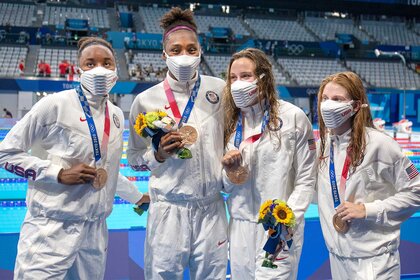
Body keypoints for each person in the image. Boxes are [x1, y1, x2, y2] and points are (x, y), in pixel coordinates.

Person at [0, 36, 149, 279]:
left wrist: (137, 196)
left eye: (107, 63)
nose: (99, 70)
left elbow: (106, 169)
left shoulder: (115, 115)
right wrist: (57, 173)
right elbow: (5, 154)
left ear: (116, 69)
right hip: (50, 230)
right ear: (78, 69)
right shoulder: (53, 105)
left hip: (94, 233)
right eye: (90, 64)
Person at [127, 7, 228, 279]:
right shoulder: (145, 100)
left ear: (200, 51)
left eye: (191, 49)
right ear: (164, 54)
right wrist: (156, 156)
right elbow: (134, 159)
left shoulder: (219, 90)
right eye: (176, 50)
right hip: (168, 210)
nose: (184, 56)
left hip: (212, 209)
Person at [221, 48, 316, 279]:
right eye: (233, 78)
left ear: (264, 78)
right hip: (239, 225)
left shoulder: (293, 118)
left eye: (245, 76)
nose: (238, 83)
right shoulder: (229, 124)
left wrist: (287, 220)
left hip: (278, 227)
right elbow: (224, 186)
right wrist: (230, 172)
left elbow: (306, 179)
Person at [316, 71, 420, 279]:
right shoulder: (323, 147)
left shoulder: (381, 144)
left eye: (337, 99)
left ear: (355, 106)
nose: (328, 105)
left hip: (375, 262)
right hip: (337, 258)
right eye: (325, 99)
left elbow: (416, 191)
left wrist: (368, 210)